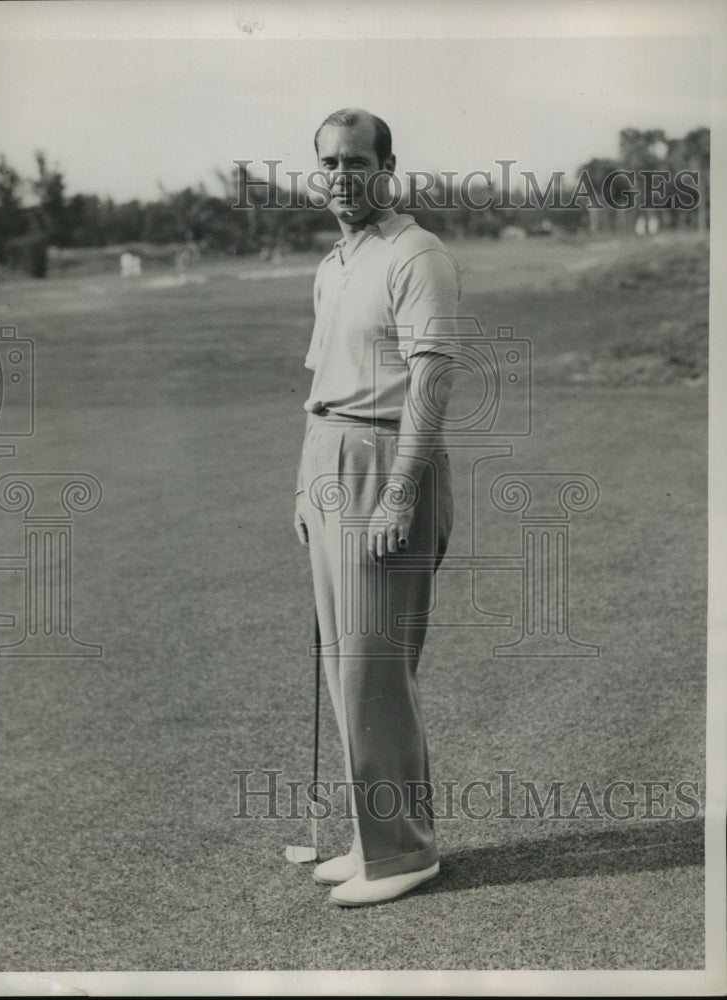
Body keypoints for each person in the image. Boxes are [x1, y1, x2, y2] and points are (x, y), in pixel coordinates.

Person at [294, 108, 460, 906]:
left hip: (387, 464)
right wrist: (304, 484)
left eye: (356, 162)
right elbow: (318, 388)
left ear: (388, 167)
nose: (339, 176)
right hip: (330, 461)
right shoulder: (332, 263)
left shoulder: (415, 253)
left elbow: (430, 383)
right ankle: (372, 835)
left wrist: (399, 493)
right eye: (327, 162)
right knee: (341, 665)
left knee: (373, 672)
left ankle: (403, 853)